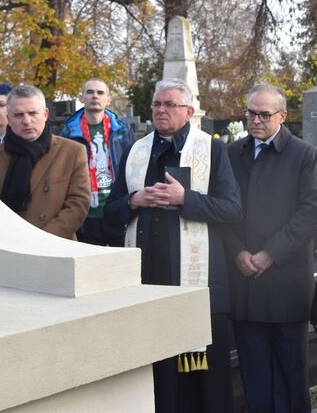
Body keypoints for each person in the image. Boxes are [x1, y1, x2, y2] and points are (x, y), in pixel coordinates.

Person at [105, 78, 242, 413]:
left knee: (205, 381)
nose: (161, 110)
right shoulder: (135, 151)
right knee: (159, 377)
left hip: (199, 286)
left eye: (169, 105)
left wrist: (186, 199)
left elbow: (233, 210)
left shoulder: (211, 149)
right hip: (149, 281)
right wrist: (134, 200)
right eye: (156, 104)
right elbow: (110, 213)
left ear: (189, 111)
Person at [226, 84, 317, 413]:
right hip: (245, 282)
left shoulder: (303, 154)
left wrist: (269, 254)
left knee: (291, 376)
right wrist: (238, 252)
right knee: (254, 376)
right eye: (250, 113)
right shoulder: (232, 153)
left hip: (285, 282)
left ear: (282, 116)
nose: (255, 120)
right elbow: (223, 211)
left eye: (264, 115)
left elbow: (309, 213)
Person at [0, 84, 90, 239]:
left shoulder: (72, 152)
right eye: (18, 115)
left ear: (45, 114)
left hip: (57, 246)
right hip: (8, 245)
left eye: (32, 113)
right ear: (8, 118)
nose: (27, 121)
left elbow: (78, 204)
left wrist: (41, 239)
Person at [61, 78, 135, 246]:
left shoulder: (122, 130)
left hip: (115, 209)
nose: (95, 96)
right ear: (82, 98)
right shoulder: (69, 131)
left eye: (100, 93)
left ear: (108, 100)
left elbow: (132, 165)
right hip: (84, 214)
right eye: (90, 92)